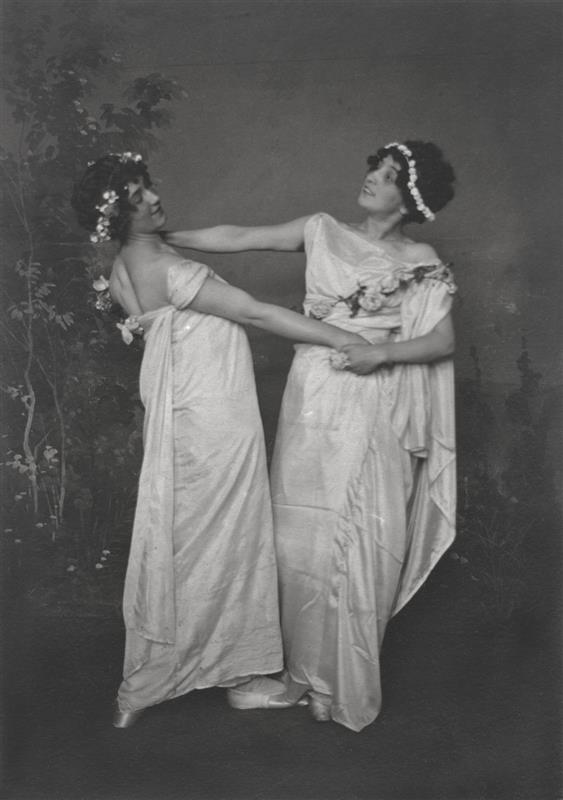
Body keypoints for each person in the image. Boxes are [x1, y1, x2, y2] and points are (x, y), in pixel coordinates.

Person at [165, 140, 458, 732]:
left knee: (355, 533)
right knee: (298, 534)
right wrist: (164, 238)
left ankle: (337, 682)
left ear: (410, 198)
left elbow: (442, 341)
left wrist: (381, 354)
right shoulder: (321, 228)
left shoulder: (419, 257)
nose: (373, 178)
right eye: (376, 168)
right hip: (311, 391)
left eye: (389, 175)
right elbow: (239, 235)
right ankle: (301, 675)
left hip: (372, 399)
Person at [71, 152, 366, 728]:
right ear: (120, 216)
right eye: (137, 197)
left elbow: (213, 252)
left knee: (190, 535)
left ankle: (186, 672)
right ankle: (227, 673)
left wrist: (167, 235)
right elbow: (257, 314)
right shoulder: (164, 265)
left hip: (183, 410)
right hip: (212, 416)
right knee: (227, 532)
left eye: (148, 186)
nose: (153, 197)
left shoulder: (127, 262)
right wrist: (343, 337)